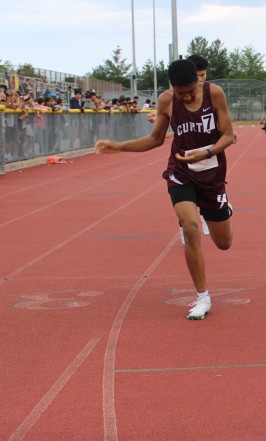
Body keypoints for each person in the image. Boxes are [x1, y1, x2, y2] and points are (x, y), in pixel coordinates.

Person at [95, 58, 236, 320]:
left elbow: (229, 135)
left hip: (212, 172)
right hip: (181, 172)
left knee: (224, 243)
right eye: (180, 93)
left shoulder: (214, 93)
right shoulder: (167, 100)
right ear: (172, 87)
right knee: (190, 227)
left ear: (197, 82)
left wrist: (206, 152)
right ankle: (203, 297)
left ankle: (223, 209)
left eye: (190, 91)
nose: (186, 97)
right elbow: (155, 139)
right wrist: (119, 146)